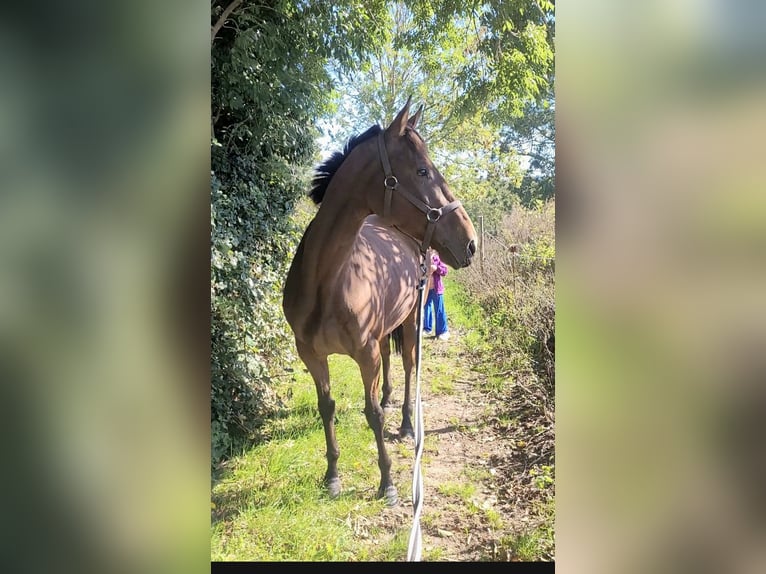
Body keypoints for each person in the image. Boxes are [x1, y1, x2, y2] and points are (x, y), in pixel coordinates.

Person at [422, 249, 450, 340]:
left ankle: (442, 331)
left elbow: (445, 271)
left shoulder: (437, 258)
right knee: (426, 308)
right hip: (427, 289)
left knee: (439, 309)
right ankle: (427, 328)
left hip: (436, 289)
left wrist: (436, 268)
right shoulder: (423, 258)